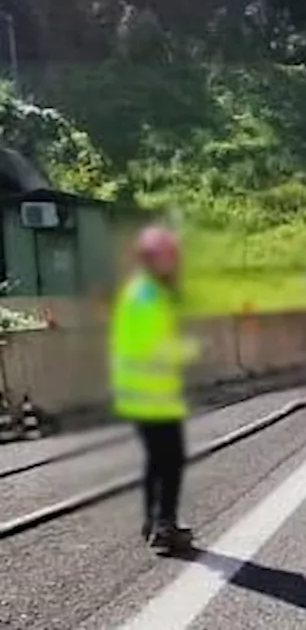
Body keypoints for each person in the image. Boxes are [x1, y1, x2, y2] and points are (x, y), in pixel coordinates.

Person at [110, 225, 200, 549]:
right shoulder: (149, 295)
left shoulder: (140, 290)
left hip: (139, 391)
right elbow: (155, 345)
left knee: (156, 459)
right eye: (171, 257)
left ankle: (153, 521)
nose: (176, 263)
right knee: (171, 459)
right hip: (152, 392)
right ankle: (165, 526)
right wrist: (189, 350)